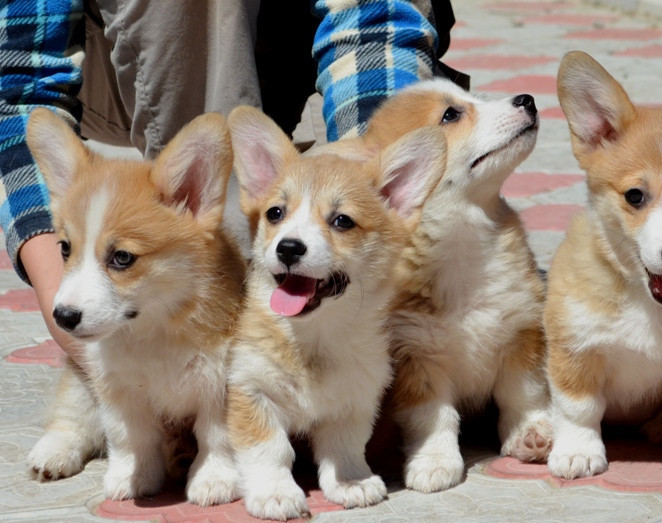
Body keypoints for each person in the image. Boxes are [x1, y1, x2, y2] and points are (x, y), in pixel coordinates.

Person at [0, 0, 465, 365]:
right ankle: (227, 322)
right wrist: (63, 299)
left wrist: (374, 203)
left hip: (291, 37)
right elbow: (19, 81)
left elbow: (373, 24)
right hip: (126, 46)